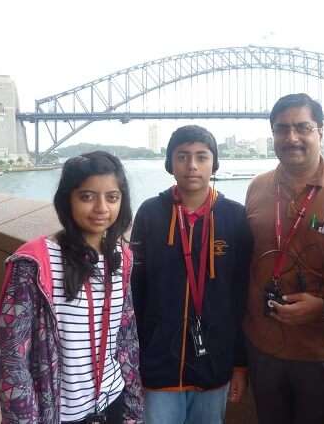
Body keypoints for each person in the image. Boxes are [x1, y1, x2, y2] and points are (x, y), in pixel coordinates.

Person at [243, 93, 324, 424]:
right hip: (263, 346)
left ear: (320, 131)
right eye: (282, 129)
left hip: (323, 350)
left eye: (302, 127)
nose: (292, 138)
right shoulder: (257, 188)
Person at [0, 151, 144, 424]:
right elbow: (11, 359)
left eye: (112, 197)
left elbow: (126, 338)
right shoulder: (34, 263)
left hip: (113, 403)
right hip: (59, 413)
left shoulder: (122, 257)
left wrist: (133, 409)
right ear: (68, 200)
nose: (101, 208)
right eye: (87, 196)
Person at [130, 125, 252, 424]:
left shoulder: (234, 217)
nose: (192, 165)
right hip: (158, 362)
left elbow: (241, 296)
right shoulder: (150, 213)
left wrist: (240, 364)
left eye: (201, 156)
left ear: (215, 163)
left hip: (215, 361)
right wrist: (134, 357)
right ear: (170, 163)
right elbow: (135, 291)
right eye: (182, 156)